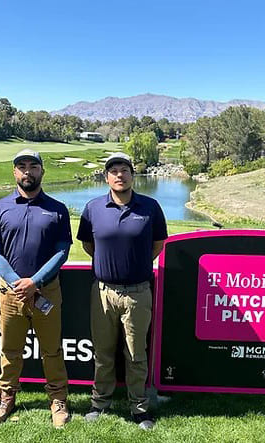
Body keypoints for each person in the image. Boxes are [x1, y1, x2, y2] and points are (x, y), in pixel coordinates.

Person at [77, 152, 168, 430]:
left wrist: (133, 265)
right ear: (107, 177)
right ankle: (99, 402)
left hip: (138, 293)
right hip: (103, 292)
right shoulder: (93, 207)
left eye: (124, 170)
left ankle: (139, 408)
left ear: (132, 174)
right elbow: (88, 246)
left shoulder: (150, 207)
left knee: (135, 354)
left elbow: (158, 244)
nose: (119, 175)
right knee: (103, 354)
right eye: (113, 170)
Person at [0, 149, 72, 428]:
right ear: (14, 172)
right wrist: (16, 283)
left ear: (42, 172)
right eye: (21, 166)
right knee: (10, 350)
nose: (27, 171)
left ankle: (58, 400)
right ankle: (6, 398)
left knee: (52, 350)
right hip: (10, 294)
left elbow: (62, 252)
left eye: (33, 166)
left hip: (46, 291)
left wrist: (34, 282)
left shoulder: (57, 209)